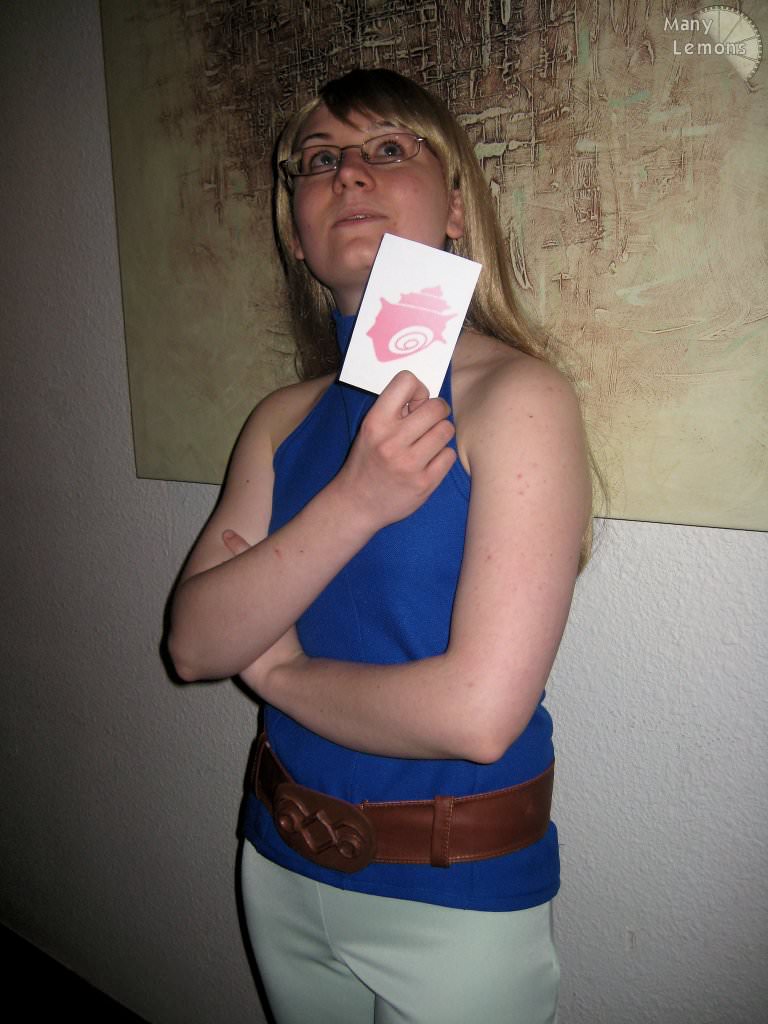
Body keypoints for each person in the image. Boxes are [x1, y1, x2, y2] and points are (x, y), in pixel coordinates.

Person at [169, 68, 591, 1024]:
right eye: (319, 160)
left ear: (455, 207)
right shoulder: (279, 422)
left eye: (388, 150)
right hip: (277, 862)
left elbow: (478, 715)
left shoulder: (519, 400)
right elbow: (195, 644)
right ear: (297, 233)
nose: (348, 174)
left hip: (456, 896)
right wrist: (357, 502)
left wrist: (279, 674)